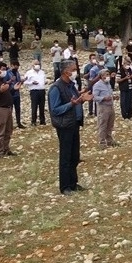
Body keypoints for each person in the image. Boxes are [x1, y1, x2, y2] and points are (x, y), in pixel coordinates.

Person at [48, 60, 92, 194]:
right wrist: (71, 105)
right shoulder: (56, 88)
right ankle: (65, 186)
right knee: (66, 156)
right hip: (64, 125)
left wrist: (82, 98)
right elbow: (55, 109)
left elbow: (75, 99)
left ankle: (73, 183)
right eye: (73, 70)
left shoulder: (71, 86)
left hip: (74, 123)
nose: (75, 72)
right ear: (66, 72)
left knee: (74, 155)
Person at [93, 69, 118, 148]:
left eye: (108, 74)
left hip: (110, 105)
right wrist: (103, 98)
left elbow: (109, 94)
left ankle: (109, 140)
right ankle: (102, 142)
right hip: (103, 107)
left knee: (110, 124)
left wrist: (114, 97)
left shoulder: (108, 84)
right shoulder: (97, 85)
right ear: (101, 76)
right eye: (106, 75)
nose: (108, 76)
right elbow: (94, 97)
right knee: (103, 124)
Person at [23, 60, 47, 126]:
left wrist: (45, 82)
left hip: (42, 90)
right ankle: (33, 121)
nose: (37, 65)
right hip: (34, 91)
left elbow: (45, 79)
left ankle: (42, 120)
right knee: (34, 106)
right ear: (32, 65)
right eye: (36, 64)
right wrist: (32, 83)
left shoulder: (42, 72)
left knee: (42, 106)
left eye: (38, 64)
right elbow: (25, 82)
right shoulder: (29, 73)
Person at [4, 60, 26, 129]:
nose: (16, 68)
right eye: (15, 66)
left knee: (18, 109)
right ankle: (9, 124)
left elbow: (18, 81)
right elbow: (4, 82)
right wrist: (10, 81)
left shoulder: (17, 72)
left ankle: (18, 122)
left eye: (17, 67)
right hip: (10, 93)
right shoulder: (7, 73)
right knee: (10, 109)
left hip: (17, 93)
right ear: (11, 65)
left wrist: (22, 82)